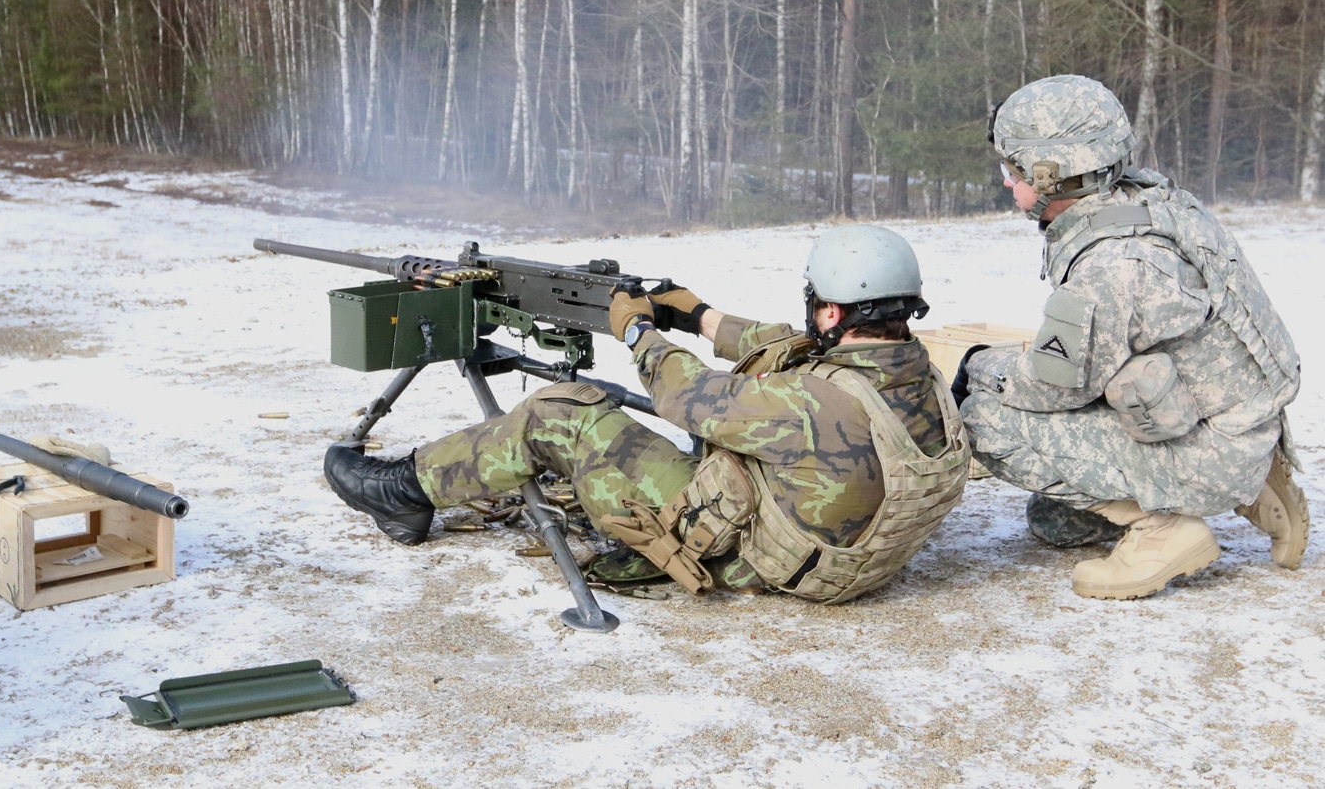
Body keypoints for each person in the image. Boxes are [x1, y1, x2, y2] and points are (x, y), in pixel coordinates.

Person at [323, 225, 971, 603]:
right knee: (774, 359)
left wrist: (638, 333)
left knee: (562, 410)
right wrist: (694, 315)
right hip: (847, 552)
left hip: (757, 560)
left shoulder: (804, 407)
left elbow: (682, 397)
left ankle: (406, 490)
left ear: (832, 311)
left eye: (815, 303)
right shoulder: (915, 374)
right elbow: (785, 347)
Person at [954, 73, 1308, 601]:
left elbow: (1055, 387)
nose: (1008, 182)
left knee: (982, 417)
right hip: (1239, 419)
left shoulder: (1113, 266)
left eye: (1015, 169)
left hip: (1210, 444)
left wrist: (979, 365)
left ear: (1053, 176)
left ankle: (1166, 531)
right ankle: (1256, 482)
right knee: (1056, 521)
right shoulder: (1151, 202)